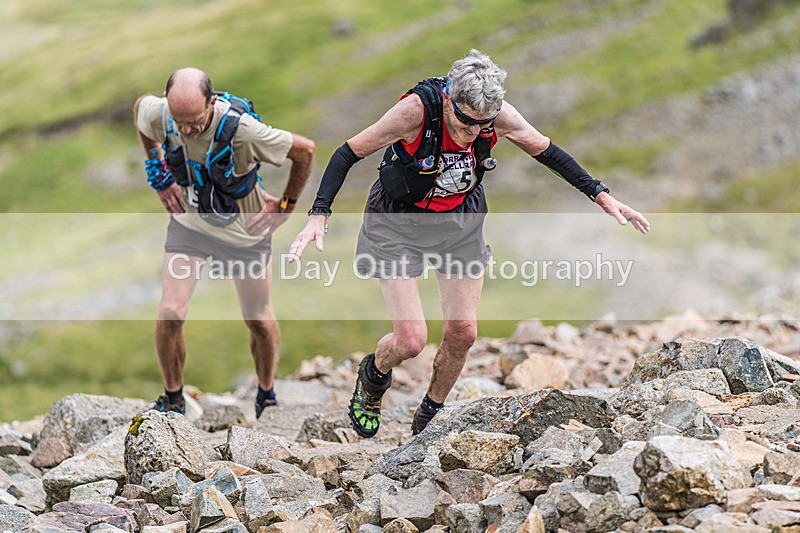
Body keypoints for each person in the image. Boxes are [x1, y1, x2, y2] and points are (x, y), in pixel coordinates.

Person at [290, 49, 650, 438]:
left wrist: (601, 195)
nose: (472, 133)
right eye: (465, 122)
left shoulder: (498, 116)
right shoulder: (414, 112)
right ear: (448, 98)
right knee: (411, 341)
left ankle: (429, 417)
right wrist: (319, 214)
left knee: (463, 332)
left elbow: (547, 152)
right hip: (398, 222)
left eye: (483, 125)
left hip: (459, 221)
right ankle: (374, 376)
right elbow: (347, 154)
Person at [134, 67, 315, 418]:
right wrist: (158, 172)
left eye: (194, 122)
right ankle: (173, 400)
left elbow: (305, 151)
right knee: (171, 312)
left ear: (211, 102)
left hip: (244, 232)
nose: (186, 131)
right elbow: (141, 109)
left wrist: (286, 206)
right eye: (179, 122)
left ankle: (266, 395)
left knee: (258, 319)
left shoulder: (244, 131)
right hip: (190, 225)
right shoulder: (163, 114)